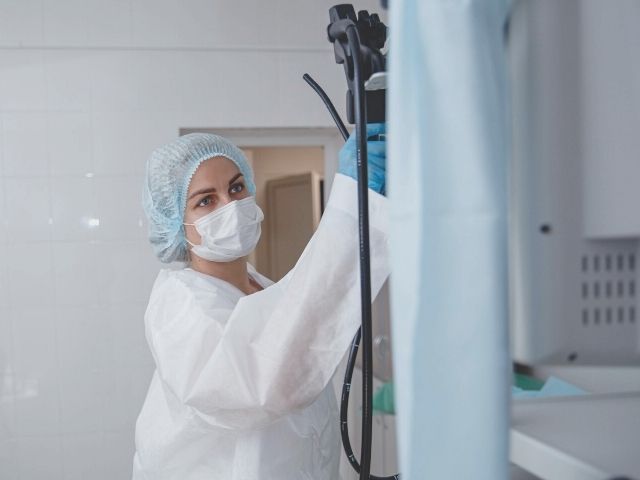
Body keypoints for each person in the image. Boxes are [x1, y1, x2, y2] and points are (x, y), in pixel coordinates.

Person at [132, 126, 389, 480]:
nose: (231, 205)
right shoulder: (179, 304)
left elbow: (300, 337)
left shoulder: (264, 289)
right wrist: (349, 209)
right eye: (206, 200)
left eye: (236, 187)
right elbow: (260, 380)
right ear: (177, 222)